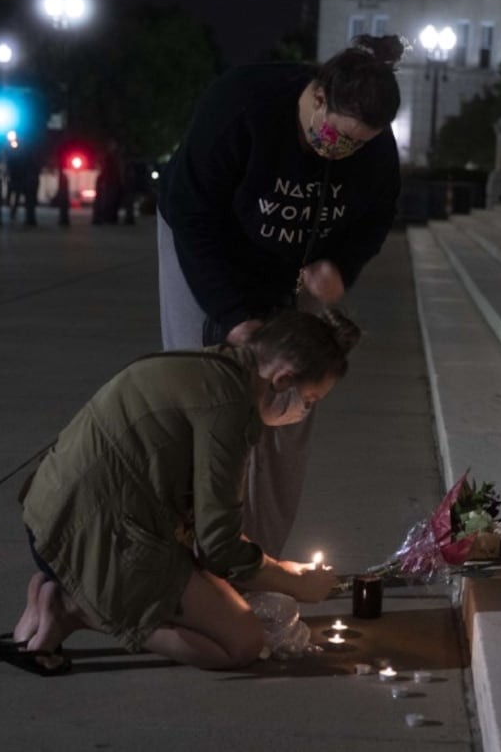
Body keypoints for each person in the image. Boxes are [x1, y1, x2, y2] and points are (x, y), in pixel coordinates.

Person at [0, 309, 356, 675]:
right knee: (240, 643)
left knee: (221, 598)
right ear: (282, 379)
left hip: (51, 518)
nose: (303, 410)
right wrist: (289, 579)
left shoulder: (213, 365)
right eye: (309, 399)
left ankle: (59, 591)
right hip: (92, 536)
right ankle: (79, 608)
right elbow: (219, 545)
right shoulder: (227, 408)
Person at [156, 34, 404, 557]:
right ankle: (191, 550)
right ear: (317, 96)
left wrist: (341, 268)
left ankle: (257, 559)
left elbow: (372, 222)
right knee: (210, 391)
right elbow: (193, 217)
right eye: (336, 136)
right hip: (206, 242)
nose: (342, 152)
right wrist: (232, 316)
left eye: (357, 144)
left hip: (296, 265)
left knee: (291, 405)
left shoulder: (374, 150)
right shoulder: (241, 103)